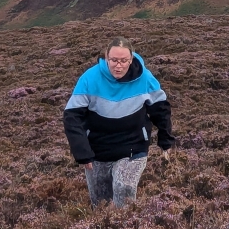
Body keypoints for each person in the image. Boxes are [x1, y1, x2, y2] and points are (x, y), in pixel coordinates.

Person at [63, 37, 175, 207]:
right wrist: (82, 152)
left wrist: (165, 140)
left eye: (123, 60)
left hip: (133, 147)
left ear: (131, 60)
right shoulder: (89, 78)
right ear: (106, 58)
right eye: (114, 60)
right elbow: (72, 117)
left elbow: (161, 109)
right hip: (98, 150)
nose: (118, 65)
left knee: (124, 191)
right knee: (101, 204)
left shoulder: (145, 78)